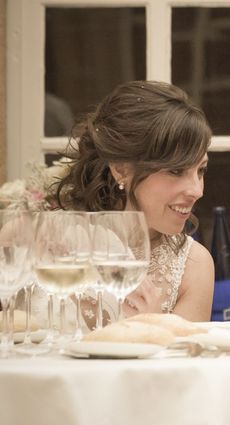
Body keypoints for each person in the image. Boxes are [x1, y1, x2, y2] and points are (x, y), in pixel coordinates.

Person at [53, 80, 215, 323]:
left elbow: (187, 359)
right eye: (176, 171)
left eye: (200, 170)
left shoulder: (195, 265)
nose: (197, 190)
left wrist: (154, 326)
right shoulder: (50, 240)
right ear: (121, 169)